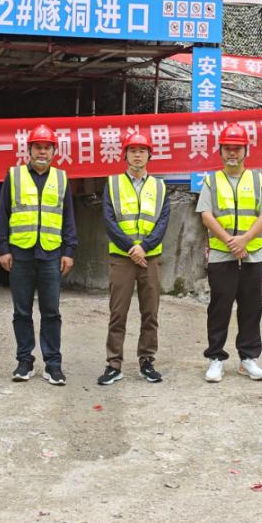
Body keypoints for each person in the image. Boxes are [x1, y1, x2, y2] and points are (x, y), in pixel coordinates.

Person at [0, 124, 77, 385]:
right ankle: (24, 362)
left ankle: (53, 364)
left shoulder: (61, 178)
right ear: (29, 150)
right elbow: (2, 213)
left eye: (47, 147)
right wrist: (3, 248)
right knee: (22, 311)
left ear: (54, 151)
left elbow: (68, 217)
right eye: (38, 147)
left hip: (51, 254)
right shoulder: (14, 176)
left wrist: (69, 250)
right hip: (20, 254)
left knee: (51, 311)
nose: (42, 152)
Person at [195, 123, 262, 383]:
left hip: (252, 255)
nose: (232, 153)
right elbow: (206, 215)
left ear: (245, 151)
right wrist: (230, 241)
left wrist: (245, 240)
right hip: (222, 254)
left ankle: (248, 358)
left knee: (251, 307)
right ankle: (215, 358)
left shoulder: (257, 180)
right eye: (227, 148)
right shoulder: (212, 180)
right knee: (219, 307)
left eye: (237, 148)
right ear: (220, 151)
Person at [97, 132, 170, 385]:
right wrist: (132, 248)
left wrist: (145, 247)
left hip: (150, 258)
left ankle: (147, 361)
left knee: (150, 312)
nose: (137, 155)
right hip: (122, 258)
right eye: (133, 150)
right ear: (125, 155)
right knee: (118, 312)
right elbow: (109, 221)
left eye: (142, 150)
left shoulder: (159, 187)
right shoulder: (113, 184)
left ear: (150, 155)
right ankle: (113, 364)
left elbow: (162, 222)